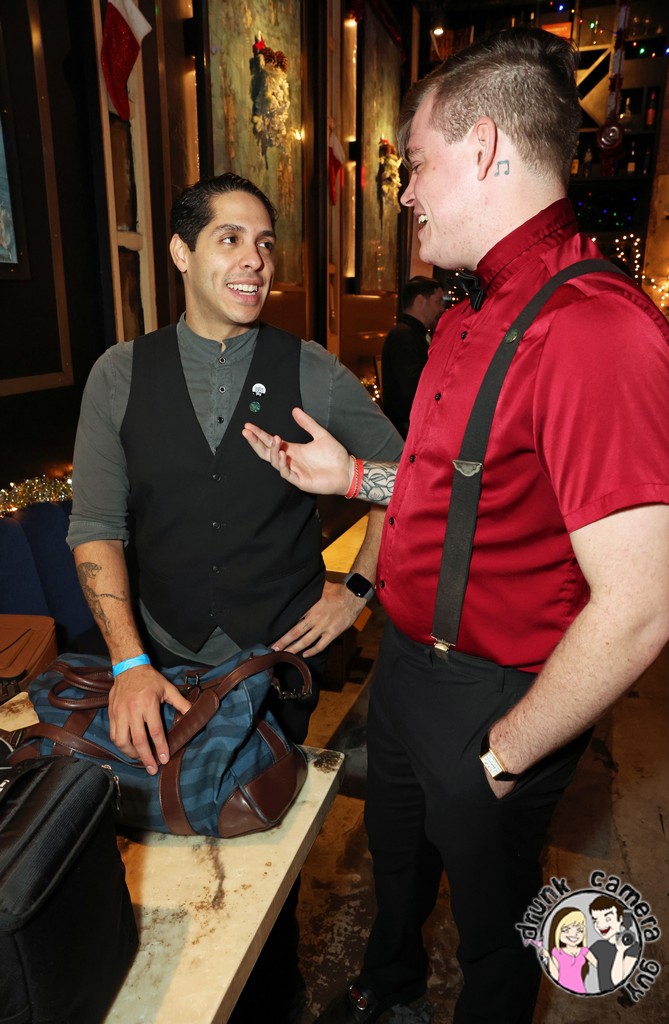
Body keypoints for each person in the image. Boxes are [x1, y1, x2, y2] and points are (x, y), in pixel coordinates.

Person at [243, 27, 669, 1024]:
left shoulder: (595, 330)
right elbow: (461, 488)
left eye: (415, 163)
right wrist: (353, 475)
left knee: (497, 925)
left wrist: (503, 753)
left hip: (495, 696)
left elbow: (640, 608)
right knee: (394, 865)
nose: (404, 191)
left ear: (483, 148)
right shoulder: (464, 313)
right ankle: (387, 990)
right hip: (405, 669)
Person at [67, 171, 403, 1023]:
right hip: (160, 660)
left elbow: (405, 479)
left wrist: (356, 589)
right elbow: (95, 527)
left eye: (264, 244)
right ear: (181, 252)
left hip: (274, 662)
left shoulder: (310, 369)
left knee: (262, 848)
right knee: (157, 843)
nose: (255, 260)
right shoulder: (119, 374)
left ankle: (272, 997)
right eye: (229, 239)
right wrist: (128, 663)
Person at [381, 275, 444, 437]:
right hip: (405, 431)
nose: (441, 309)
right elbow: (414, 388)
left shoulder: (416, 334)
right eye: (438, 301)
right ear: (420, 301)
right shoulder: (402, 336)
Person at [588, 895, 641, 991]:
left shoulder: (633, 947)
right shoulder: (598, 946)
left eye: (607, 919)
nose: (600, 925)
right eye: (595, 920)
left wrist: (620, 951)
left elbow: (617, 981)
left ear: (620, 919)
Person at [542, 907, 596, 995]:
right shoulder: (556, 952)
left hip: (580, 991)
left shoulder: (584, 951)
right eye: (566, 930)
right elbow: (555, 976)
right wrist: (547, 957)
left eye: (580, 930)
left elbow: (600, 966)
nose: (574, 934)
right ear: (557, 931)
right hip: (561, 992)